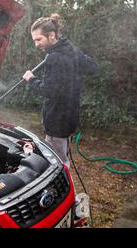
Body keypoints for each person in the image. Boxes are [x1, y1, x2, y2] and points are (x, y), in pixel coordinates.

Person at [22, 14, 98, 168]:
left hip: (57, 120)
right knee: (61, 155)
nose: (36, 44)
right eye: (34, 40)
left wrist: (31, 79)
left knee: (58, 163)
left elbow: (49, 90)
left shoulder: (55, 57)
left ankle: (66, 190)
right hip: (70, 117)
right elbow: (93, 67)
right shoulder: (70, 49)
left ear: (51, 35)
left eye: (39, 39)